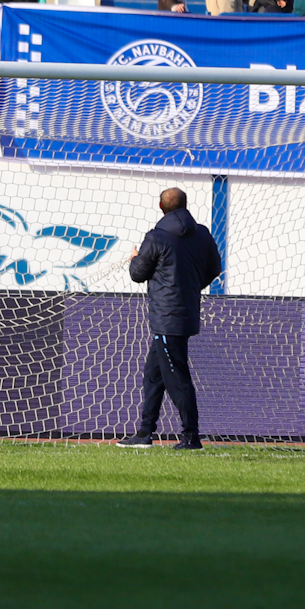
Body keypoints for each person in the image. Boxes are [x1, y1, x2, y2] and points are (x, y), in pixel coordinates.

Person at [118, 188, 222, 452]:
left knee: (177, 378)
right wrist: (191, 287)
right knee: (153, 375)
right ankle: (144, 433)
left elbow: (138, 274)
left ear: (160, 206)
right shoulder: (202, 234)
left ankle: (191, 437)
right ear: (185, 205)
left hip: (166, 318)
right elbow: (215, 268)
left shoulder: (157, 237)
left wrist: (134, 259)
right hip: (184, 313)